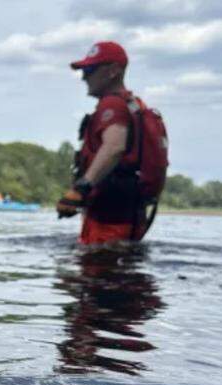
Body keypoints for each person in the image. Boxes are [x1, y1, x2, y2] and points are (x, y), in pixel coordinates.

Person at [57, 41, 167, 245]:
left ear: (113, 71)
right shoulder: (133, 104)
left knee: (97, 271)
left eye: (90, 70)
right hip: (128, 210)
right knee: (121, 270)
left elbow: (114, 147)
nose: (84, 77)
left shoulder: (113, 105)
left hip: (110, 212)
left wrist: (81, 188)